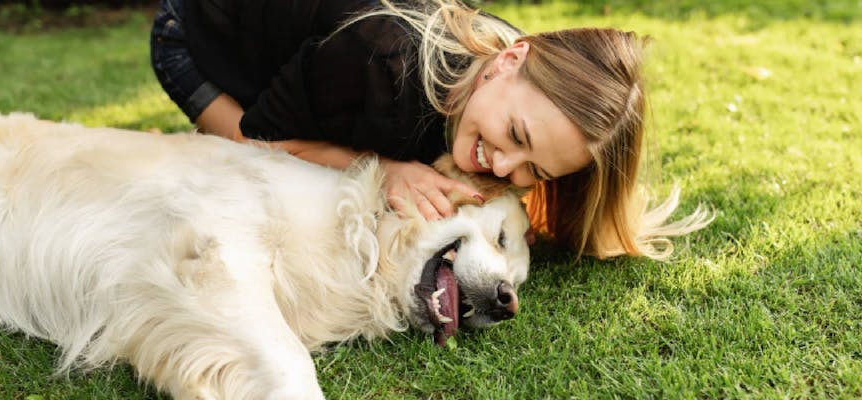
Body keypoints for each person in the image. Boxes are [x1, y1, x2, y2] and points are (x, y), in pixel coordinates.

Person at [150, 0, 712, 260]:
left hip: (306, 58)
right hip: (200, 39)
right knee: (240, 160)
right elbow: (262, 144)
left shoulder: (506, 85)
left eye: (533, 170)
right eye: (515, 134)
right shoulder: (379, 58)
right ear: (510, 58)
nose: (503, 168)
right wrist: (382, 169)